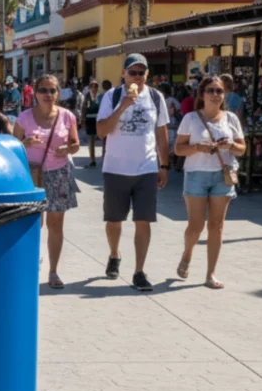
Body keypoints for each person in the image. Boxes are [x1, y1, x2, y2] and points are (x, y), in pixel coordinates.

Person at [96, 54, 171, 293]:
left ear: (147, 75)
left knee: (143, 221)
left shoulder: (156, 97)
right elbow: (101, 131)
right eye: (133, 72)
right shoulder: (112, 96)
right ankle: (114, 254)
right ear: (123, 74)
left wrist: (164, 165)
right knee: (114, 220)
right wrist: (123, 106)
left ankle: (139, 271)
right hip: (116, 168)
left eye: (141, 73)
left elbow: (161, 133)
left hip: (146, 169)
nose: (137, 77)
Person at [174, 75, 246, 289]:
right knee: (195, 226)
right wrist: (198, 147)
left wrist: (230, 146)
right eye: (211, 91)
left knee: (216, 226)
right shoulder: (191, 119)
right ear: (202, 94)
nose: (216, 95)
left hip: (223, 175)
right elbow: (178, 149)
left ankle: (210, 274)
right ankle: (187, 254)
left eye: (219, 91)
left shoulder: (231, 119)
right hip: (196, 174)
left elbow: (242, 149)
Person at [13, 75, 80, 289]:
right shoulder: (24, 118)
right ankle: (30, 264)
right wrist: (25, 142)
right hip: (31, 175)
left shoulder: (67, 116)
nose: (48, 95)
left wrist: (68, 149)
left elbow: (76, 144)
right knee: (33, 223)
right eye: (43, 90)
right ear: (35, 92)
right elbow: (12, 149)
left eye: (52, 90)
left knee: (55, 224)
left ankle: (53, 271)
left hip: (59, 173)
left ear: (58, 93)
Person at [82, 81, 103, 168]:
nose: (94, 88)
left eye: (96, 86)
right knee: (92, 139)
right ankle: (92, 159)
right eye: (92, 86)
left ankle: (105, 158)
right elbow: (84, 108)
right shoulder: (87, 96)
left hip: (99, 120)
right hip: (89, 119)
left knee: (104, 139)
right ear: (90, 87)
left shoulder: (100, 96)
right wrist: (83, 119)